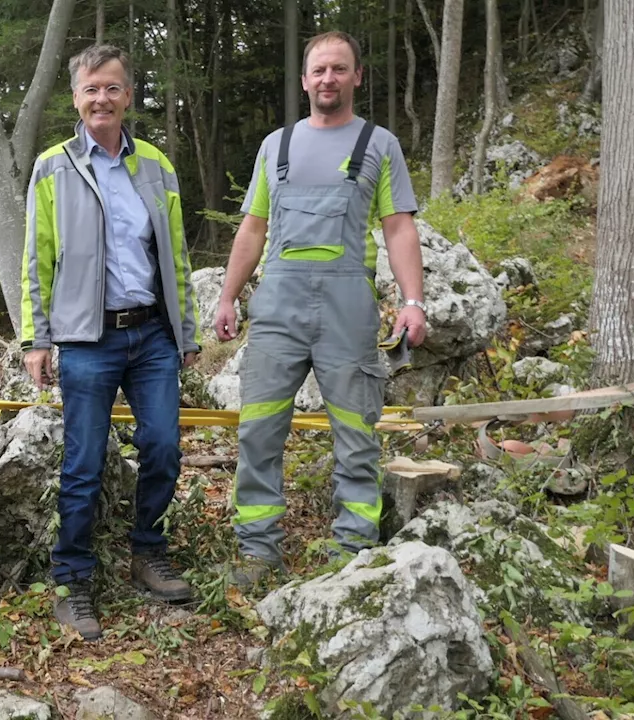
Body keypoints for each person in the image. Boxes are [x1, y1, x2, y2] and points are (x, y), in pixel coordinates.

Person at [212, 31, 427, 586]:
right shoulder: (274, 146)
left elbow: (399, 227)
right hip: (277, 309)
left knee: (356, 432)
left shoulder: (380, 144)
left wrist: (412, 302)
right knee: (258, 431)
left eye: (339, 69)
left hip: (346, 308)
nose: (327, 78)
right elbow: (253, 227)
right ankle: (258, 551)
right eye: (318, 70)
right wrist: (228, 295)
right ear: (304, 80)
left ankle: (354, 552)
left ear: (357, 77)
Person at [19, 44, 202, 640]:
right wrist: (36, 339)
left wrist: (187, 331)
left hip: (151, 335)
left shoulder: (155, 164)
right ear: (76, 97)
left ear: (128, 96)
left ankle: (147, 552)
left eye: (113, 88)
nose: (103, 98)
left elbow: (174, 254)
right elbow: (36, 261)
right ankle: (72, 580)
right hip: (86, 338)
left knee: (164, 447)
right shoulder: (52, 167)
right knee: (84, 462)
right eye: (92, 88)